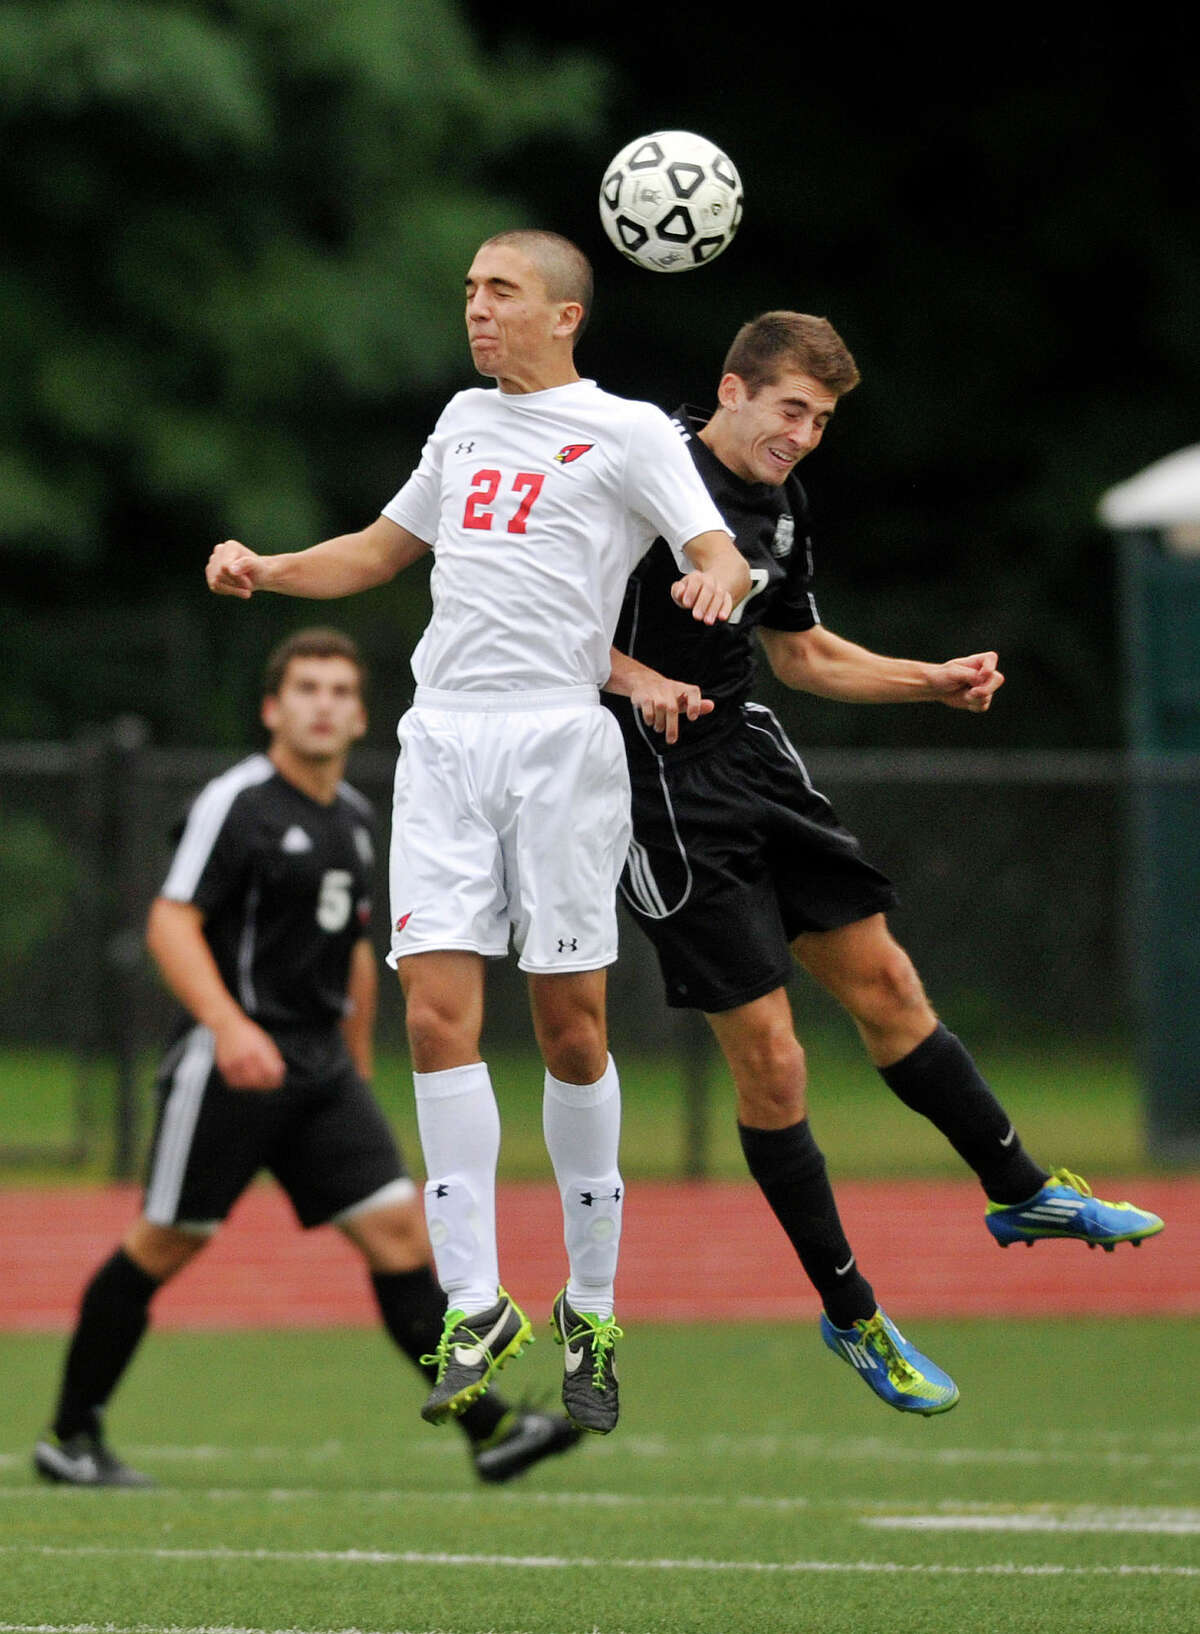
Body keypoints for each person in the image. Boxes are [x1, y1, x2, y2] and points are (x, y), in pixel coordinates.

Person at [204, 231, 750, 1436]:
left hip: (559, 741)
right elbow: (380, 550)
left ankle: (592, 1304)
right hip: (443, 738)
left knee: (570, 1028)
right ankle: (473, 1297)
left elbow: (713, 546)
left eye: (500, 292)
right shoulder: (458, 422)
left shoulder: (629, 432)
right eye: (468, 292)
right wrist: (270, 565)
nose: (477, 311)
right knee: (436, 1012)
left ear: (565, 314)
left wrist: (717, 579)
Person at [607, 310, 1164, 1416]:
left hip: (748, 755)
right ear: (731, 389)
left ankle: (1021, 1191)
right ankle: (854, 1313)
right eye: (790, 410)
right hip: (653, 787)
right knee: (772, 1058)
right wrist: (635, 678)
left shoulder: (779, 505)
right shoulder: (636, 467)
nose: (804, 435)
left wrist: (930, 679)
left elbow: (800, 652)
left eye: (821, 419)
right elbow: (536, 623)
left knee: (892, 985)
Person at [34, 628, 583, 1487]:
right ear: (272, 708)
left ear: (361, 713)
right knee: (165, 1242)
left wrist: (356, 1063)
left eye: (339, 690)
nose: (323, 703)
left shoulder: (359, 820)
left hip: (322, 1069)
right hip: (230, 1066)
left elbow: (356, 951)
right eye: (306, 688)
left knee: (400, 1233)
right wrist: (230, 1026)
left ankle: (491, 1429)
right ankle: (70, 1437)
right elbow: (170, 923)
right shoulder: (237, 802)